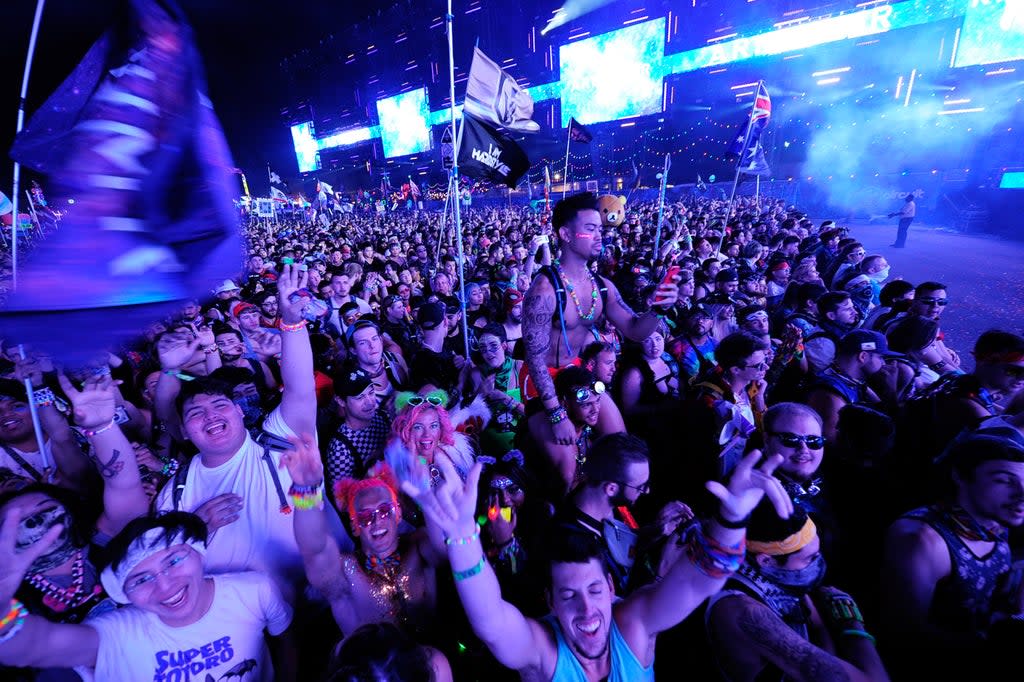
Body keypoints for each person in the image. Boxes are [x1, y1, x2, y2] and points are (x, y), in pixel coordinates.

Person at [403, 446, 792, 682]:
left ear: (611, 588)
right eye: (568, 595)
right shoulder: (543, 654)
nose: (586, 609)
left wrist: (732, 521)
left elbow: (697, 583)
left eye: (593, 590)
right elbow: (491, 622)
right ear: (551, 603)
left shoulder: (633, 626)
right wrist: (463, 537)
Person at [154, 264, 347, 603]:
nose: (211, 416)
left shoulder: (280, 440)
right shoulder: (175, 495)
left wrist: (291, 319)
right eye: (196, 413)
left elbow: (300, 387)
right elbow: (165, 574)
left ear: (240, 410)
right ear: (183, 430)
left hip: (331, 602)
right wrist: (193, 530)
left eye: (220, 406)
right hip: (252, 634)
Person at [0, 511, 295, 682]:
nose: (166, 585)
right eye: (141, 579)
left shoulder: (254, 589)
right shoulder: (115, 634)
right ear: (123, 593)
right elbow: (33, 647)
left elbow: (286, 641)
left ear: (199, 553)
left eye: (174, 561)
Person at [522, 193, 677, 448]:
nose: (599, 235)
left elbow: (635, 331)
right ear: (565, 234)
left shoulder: (601, 286)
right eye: (590, 228)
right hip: (541, 383)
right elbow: (535, 359)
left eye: (600, 229)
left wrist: (659, 309)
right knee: (568, 466)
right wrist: (556, 413)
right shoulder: (545, 290)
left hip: (574, 374)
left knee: (620, 442)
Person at [881, 435, 1024, 678]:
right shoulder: (922, 540)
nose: (1022, 493)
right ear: (959, 477)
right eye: (1004, 480)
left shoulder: (994, 521)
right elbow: (905, 637)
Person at [280, 439, 445, 642]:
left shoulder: (418, 545)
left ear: (398, 514)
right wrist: (305, 489)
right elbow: (315, 551)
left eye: (385, 511)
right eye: (365, 517)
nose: (376, 521)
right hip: (376, 671)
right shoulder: (345, 571)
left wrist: (426, 494)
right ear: (354, 526)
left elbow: (446, 549)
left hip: (432, 663)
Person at [705, 505, 889, 682]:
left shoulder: (776, 578)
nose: (818, 563)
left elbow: (821, 645)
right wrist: (850, 620)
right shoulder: (746, 613)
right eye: (810, 558)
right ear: (767, 561)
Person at [555, 433, 693, 596]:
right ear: (611, 488)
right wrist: (662, 570)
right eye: (640, 486)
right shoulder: (578, 551)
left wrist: (654, 532)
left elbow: (619, 548)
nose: (646, 491)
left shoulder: (596, 499)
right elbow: (619, 613)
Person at [325, 369, 392, 488]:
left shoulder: (384, 417)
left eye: (371, 393)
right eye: (360, 397)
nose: (370, 402)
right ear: (340, 401)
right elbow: (342, 500)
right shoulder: (340, 449)